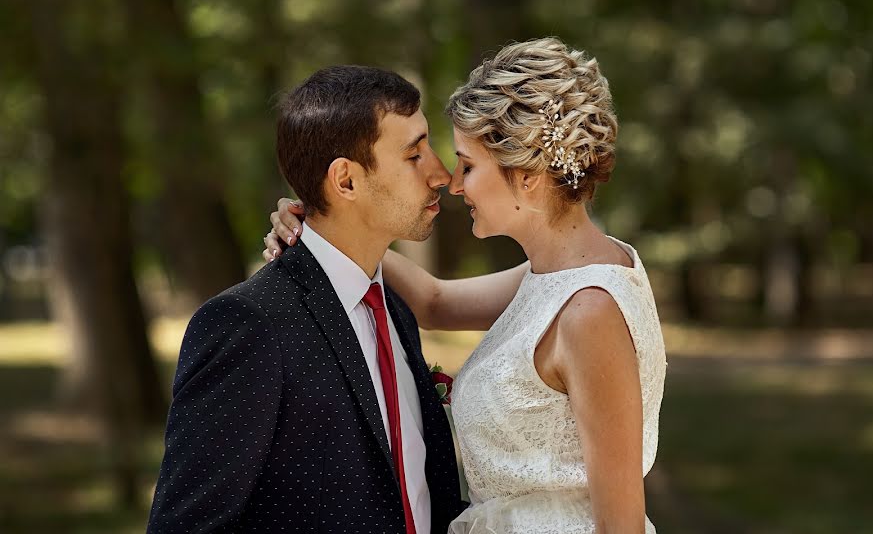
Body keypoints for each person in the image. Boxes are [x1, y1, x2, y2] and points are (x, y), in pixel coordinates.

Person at [265, 37, 667, 533]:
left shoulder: (589, 310)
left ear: (527, 176)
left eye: (469, 166)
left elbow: (621, 527)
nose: (453, 183)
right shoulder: (565, 272)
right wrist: (325, 225)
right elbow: (435, 302)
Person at [148, 65, 463, 533]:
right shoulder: (249, 325)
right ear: (346, 181)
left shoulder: (395, 310)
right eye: (414, 155)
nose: (440, 174)